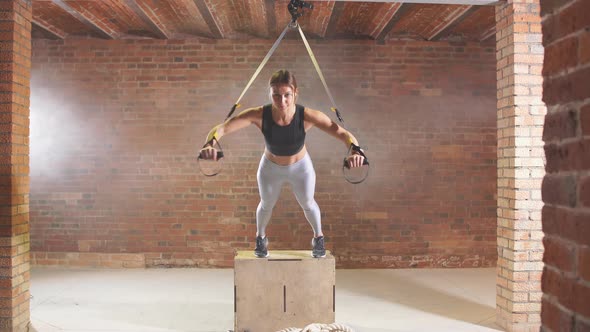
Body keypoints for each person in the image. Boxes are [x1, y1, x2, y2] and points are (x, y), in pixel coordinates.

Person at [199, 69, 365, 258]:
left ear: (295, 93)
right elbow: (221, 128)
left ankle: (318, 237)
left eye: (287, 95)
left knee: (308, 203)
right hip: (270, 168)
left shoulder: (308, 116)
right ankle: (260, 238)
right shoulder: (259, 114)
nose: (282, 101)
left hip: (301, 168)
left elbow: (344, 134)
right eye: (276, 95)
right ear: (269, 94)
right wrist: (209, 144)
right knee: (266, 204)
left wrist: (356, 150)